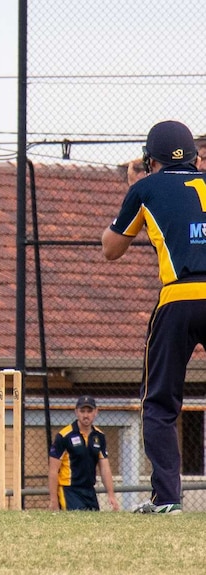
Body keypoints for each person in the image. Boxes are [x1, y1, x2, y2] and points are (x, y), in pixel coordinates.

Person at [102, 119, 206, 514]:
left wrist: (134, 189)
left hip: (178, 297)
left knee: (160, 403)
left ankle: (167, 499)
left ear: (150, 160)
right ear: (196, 157)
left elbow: (111, 249)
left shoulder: (145, 188)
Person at [48, 395, 120, 511]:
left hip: (89, 490)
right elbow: (53, 470)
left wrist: (111, 495)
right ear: (76, 412)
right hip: (69, 490)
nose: (86, 415)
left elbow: (105, 468)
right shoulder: (64, 435)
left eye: (89, 411)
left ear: (96, 412)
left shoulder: (99, 436)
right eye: (82, 411)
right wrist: (53, 500)